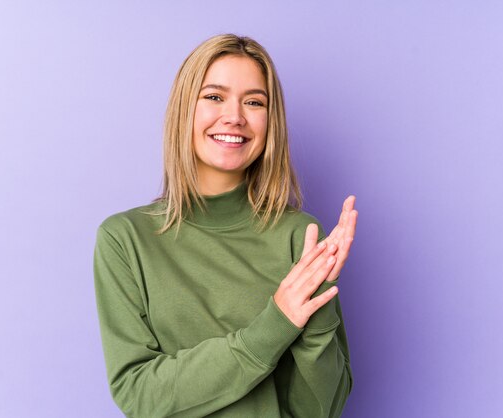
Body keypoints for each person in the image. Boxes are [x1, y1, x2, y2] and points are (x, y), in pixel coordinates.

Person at [93, 34, 357, 418]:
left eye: (254, 102)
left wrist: (316, 313)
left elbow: (321, 410)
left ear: (271, 121)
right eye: (214, 97)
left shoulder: (302, 237)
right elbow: (140, 395)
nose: (235, 116)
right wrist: (275, 324)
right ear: (185, 109)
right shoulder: (125, 239)